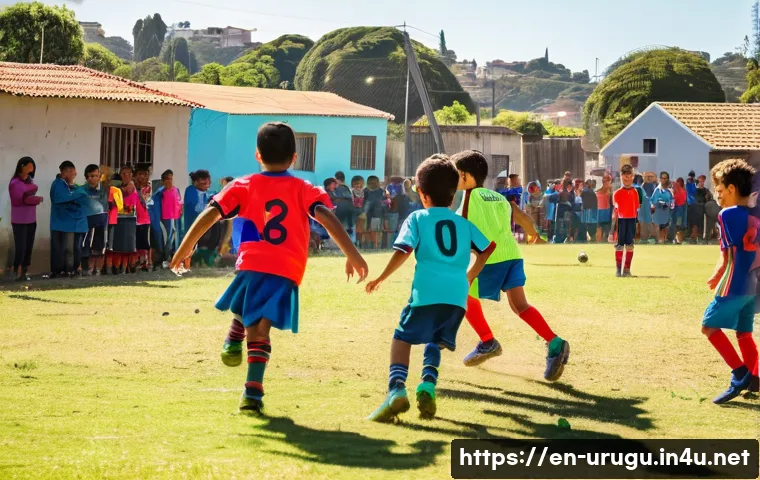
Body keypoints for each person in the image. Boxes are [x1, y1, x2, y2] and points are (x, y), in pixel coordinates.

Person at [170, 122, 368, 415]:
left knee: (256, 324)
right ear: (295, 157)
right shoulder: (303, 188)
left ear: (257, 155)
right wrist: (352, 253)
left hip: (254, 264)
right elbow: (324, 214)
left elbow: (212, 213)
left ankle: (238, 343)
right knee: (260, 329)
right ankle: (252, 391)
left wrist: (185, 247)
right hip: (286, 267)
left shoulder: (242, 185)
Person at [365, 156, 494, 422]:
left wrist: (381, 277)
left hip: (427, 293)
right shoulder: (463, 223)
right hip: (457, 298)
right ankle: (427, 384)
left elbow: (403, 251)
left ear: (423, 195)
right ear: (453, 195)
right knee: (435, 340)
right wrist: (469, 276)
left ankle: (396, 389)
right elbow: (486, 250)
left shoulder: (417, 218)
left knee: (401, 338)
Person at [451, 150, 570, 380]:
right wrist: (534, 236)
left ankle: (487, 341)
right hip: (512, 255)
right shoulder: (498, 197)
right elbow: (522, 217)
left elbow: (463, 227)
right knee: (520, 306)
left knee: (462, 293)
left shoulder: (467, 198)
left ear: (465, 176)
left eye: (455, 174)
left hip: (490, 259)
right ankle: (554, 343)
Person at [701, 159, 758, 403]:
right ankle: (755, 378)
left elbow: (727, 254)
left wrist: (717, 275)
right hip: (755, 286)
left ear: (733, 189)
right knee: (744, 333)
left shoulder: (727, 215)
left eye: (721, 190)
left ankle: (740, 374)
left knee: (709, 326)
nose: (718, 196)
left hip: (735, 284)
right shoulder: (755, 215)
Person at [49, 161, 88, 279]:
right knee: (60, 248)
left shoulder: (69, 186)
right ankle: (58, 270)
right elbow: (62, 198)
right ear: (63, 172)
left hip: (67, 222)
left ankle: (68, 269)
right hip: (59, 222)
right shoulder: (58, 184)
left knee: (67, 248)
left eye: (74, 172)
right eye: (70, 172)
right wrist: (78, 194)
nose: (73, 174)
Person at [9, 157, 43, 281]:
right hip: (19, 220)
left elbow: (29, 194)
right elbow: (20, 199)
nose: (31, 168)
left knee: (28, 246)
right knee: (21, 246)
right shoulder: (14, 183)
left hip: (31, 219)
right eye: (29, 165)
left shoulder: (30, 182)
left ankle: (24, 272)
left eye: (32, 166)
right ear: (22, 166)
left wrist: (31, 197)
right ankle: (15, 270)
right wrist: (34, 198)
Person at [80, 165, 109, 276]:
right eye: (91, 176)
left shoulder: (104, 190)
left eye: (96, 176)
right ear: (86, 177)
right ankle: (86, 268)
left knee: (99, 246)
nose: (93, 178)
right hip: (86, 223)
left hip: (101, 222)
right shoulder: (82, 190)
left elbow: (105, 206)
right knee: (85, 246)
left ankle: (97, 269)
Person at [150, 170, 182, 269]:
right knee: (163, 240)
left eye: (170, 179)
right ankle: (159, 262)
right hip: (164, 220)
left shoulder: (176, 190)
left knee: (173, 241)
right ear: (163, 181)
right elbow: (154, 207)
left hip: (174, 219)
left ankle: (173, 261)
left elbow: (179, 204)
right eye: (167, 179)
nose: (169, 181)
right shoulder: (159, 193)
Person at [613, 165, 640, 277]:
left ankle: (627, 270)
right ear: (621, 177)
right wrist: (612, 228)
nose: (627, 179)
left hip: (632, 220)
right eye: (625, 177)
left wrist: (637, 224)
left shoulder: (635, 192)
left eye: (629, 177)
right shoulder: (617, 193)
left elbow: (636, 208)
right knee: (619, 245)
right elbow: (615, 211)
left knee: (630, 244)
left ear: (633, 177)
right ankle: (618, 270)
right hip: (621, 221)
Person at [112, 165, 138, 274]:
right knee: (118, 245)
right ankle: (118, 267)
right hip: (119, 217)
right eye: (123, 173)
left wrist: (113, 189)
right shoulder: (119, 186)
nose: (125, 176)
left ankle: (125, 267)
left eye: (128, 173)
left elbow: (125, 192)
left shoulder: (130, 185)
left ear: (131, 175)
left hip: (130, 218)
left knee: (128, 245)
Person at [134, 164, 153, 271]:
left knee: (146, 242)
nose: (142, 177)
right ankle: (138, 260)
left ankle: (148, 261)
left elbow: (147, 201)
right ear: (135, 176)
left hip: (146, 219)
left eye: (145, 175)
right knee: (137, 241)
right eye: (140, 174)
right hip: (135, 219)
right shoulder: (133, 187)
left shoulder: (149, 188)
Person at [651, 172, 675, 244]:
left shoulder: (670, 191)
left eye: (666, 178)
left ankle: (665, 240)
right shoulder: (657, 190)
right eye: (663, 178)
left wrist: (672, 197)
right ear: (660, 179)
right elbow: (653, 202)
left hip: (667, 211)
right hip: (658, 210)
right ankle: (657, 241)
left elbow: (672, 204)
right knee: (657, 225)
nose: (664, 180)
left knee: (666, 226)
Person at [364, 176, 386, 249]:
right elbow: (364, 203)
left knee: (378, 232)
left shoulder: (381, 192)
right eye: (371, 183)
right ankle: (370, 245)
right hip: (368, 215)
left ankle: (376, 246)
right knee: (370, 231)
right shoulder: (366, 191)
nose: (373, 184)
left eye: (374, 183)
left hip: (378, 215)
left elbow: (384, 204)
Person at [333, 171, 355, 239]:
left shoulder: (336, 189)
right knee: (347, 229)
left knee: (339, 229)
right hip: (349, 212)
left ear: (336, 179)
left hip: (340, 211)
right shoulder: (348, 189)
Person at [689, 175, 708, 244]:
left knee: (700, 223)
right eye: (700, 181)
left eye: (702, 181)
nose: (701, 182)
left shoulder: (706, 190)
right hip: (694, 208)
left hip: (701, 208)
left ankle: (699, 237)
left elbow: (707, 199)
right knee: (694, 222)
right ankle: (693, 237)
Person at [596, 174, 613, 242]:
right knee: (602, 231)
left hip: (604, 213)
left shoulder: (609, 191)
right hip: (602, 213)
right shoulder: (601, 190)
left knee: (604, 231)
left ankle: (603, 241)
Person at [671, 177, 688, 244]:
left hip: (679, 209)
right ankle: (676, 239)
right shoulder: (680, 189)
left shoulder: (682, 190)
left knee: (678, 225)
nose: (679, 183)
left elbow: (683, 200)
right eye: (678, 181)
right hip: (676, 209)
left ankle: (678, 239)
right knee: (676, 224)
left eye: (680, 182)